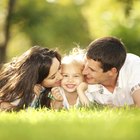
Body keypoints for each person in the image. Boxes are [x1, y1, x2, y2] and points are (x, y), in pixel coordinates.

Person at [79, 36, 140, 107]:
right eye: (85, 63)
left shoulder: (133, 65)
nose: (84, 72)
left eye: (92, 70)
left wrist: (116, 109)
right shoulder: (79, 68)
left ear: (112, 72)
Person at [0, 46, 63, 111]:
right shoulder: (19, 93)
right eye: (53, 77)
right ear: (36, 80)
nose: (61, 77)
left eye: (59, 68)